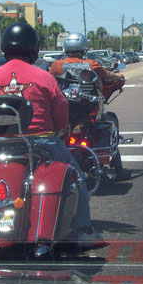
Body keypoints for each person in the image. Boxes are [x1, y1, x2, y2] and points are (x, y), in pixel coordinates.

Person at [0, 23, 103, 249]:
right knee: (77, 177)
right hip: (40, 141)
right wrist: (56, 129)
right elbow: (61, 114)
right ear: (33, 48)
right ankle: (84, 232)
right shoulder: (43, 77)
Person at [50, 33, 131, 181]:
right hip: (88, 111)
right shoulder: (91, 65)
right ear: (83, 48)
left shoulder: (56, 66)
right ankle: (119, 170)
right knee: (109, 123)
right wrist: (119, 76)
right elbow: (107, 76)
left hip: (65, 112)